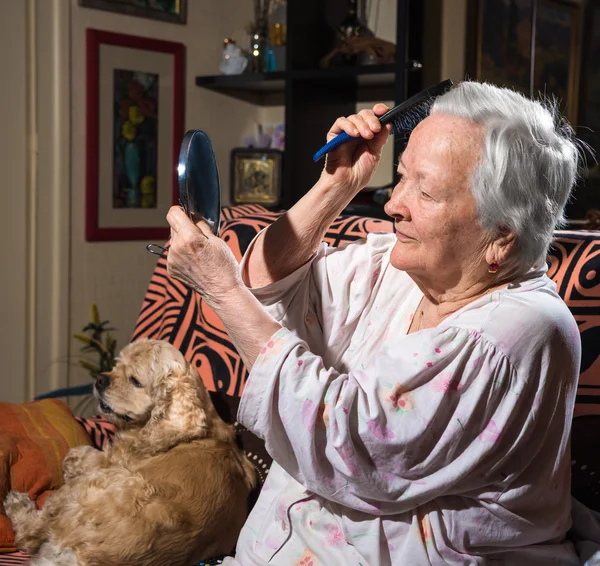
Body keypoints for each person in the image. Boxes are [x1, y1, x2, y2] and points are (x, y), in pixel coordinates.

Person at [166, 81, 584, 565]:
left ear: (501, 238)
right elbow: (266, 284)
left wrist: (221, 289)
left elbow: (346, 441)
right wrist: (335, 187)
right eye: (400, 176)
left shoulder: (517, 334)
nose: (393, 203)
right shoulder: (405, 266)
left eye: (425, 191)